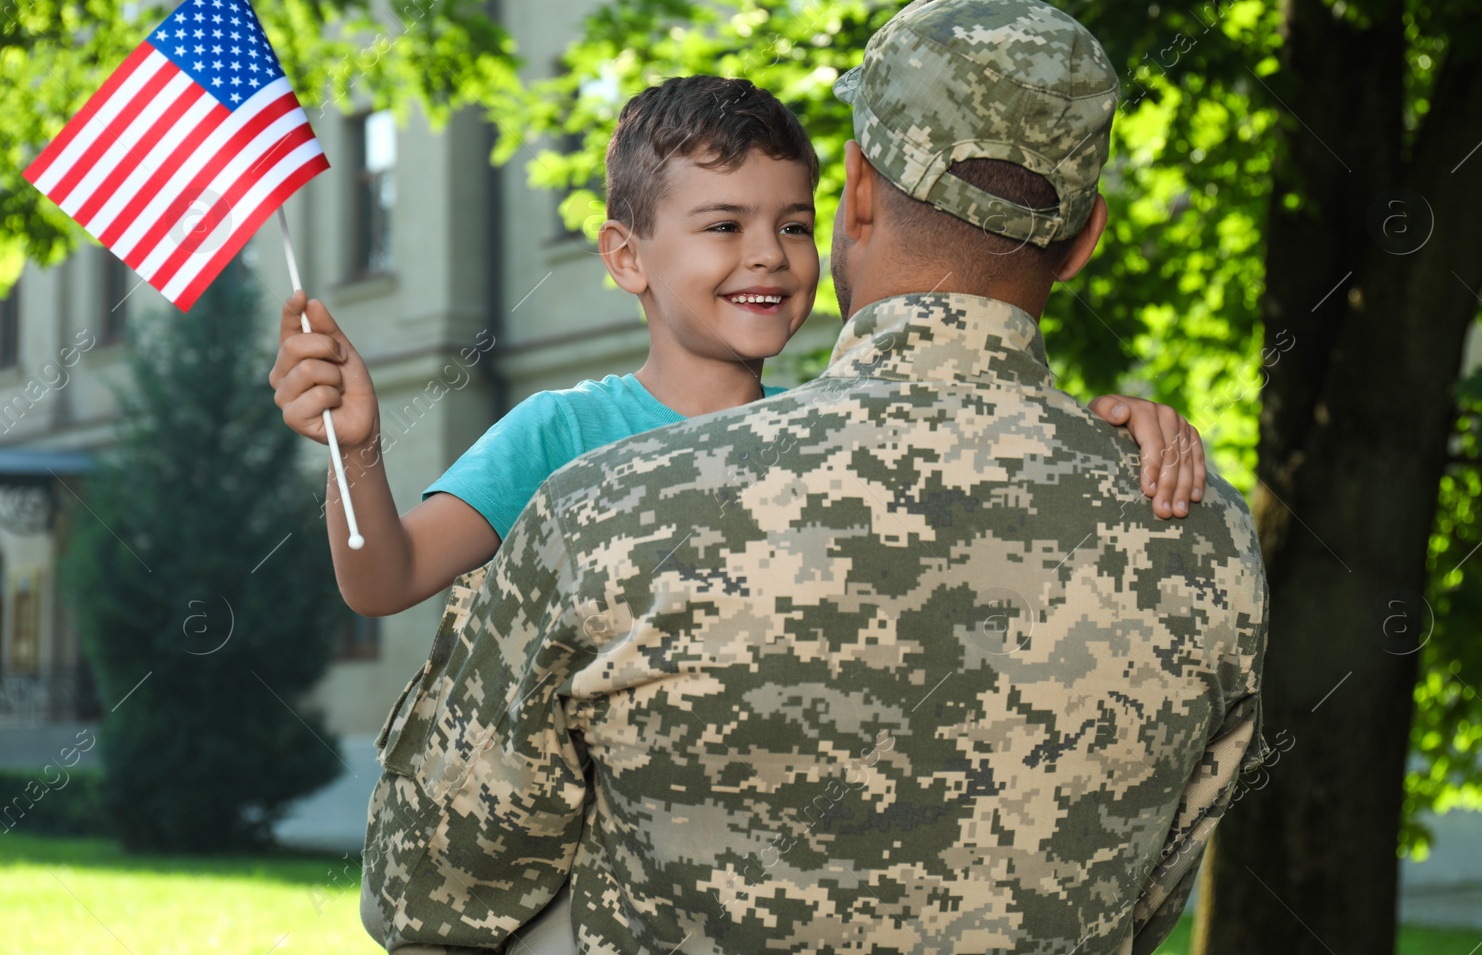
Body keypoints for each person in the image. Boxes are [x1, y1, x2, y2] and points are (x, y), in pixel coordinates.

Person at [358, 0, 1268, 955]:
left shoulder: (610, 508)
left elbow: (425, 895)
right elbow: (1143, 899)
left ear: (858, 192)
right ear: (1084, 242)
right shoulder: (1199, 532)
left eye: (792, 221)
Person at [269, 77, 1207, 619]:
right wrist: (356, 451)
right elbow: (383, 579)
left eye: (796, 225)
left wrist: (1102, 434)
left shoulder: (836, 425)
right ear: (626, 256)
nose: (768, 253)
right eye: (724, 225)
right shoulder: (557, 433)